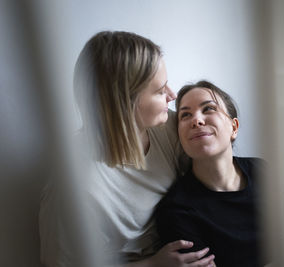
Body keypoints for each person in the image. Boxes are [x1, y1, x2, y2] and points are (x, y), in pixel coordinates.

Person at [39, 31, 215, 267]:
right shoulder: (74, 188)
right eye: (160, 91)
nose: (173, 96)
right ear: (127, 103)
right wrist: (152, 265)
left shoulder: (167, 128)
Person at [155, 81, 284, 267]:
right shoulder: (177, 210)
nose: (197, 120)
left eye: (208, 109)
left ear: (234, 128)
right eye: (185, 115)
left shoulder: (261, 171)